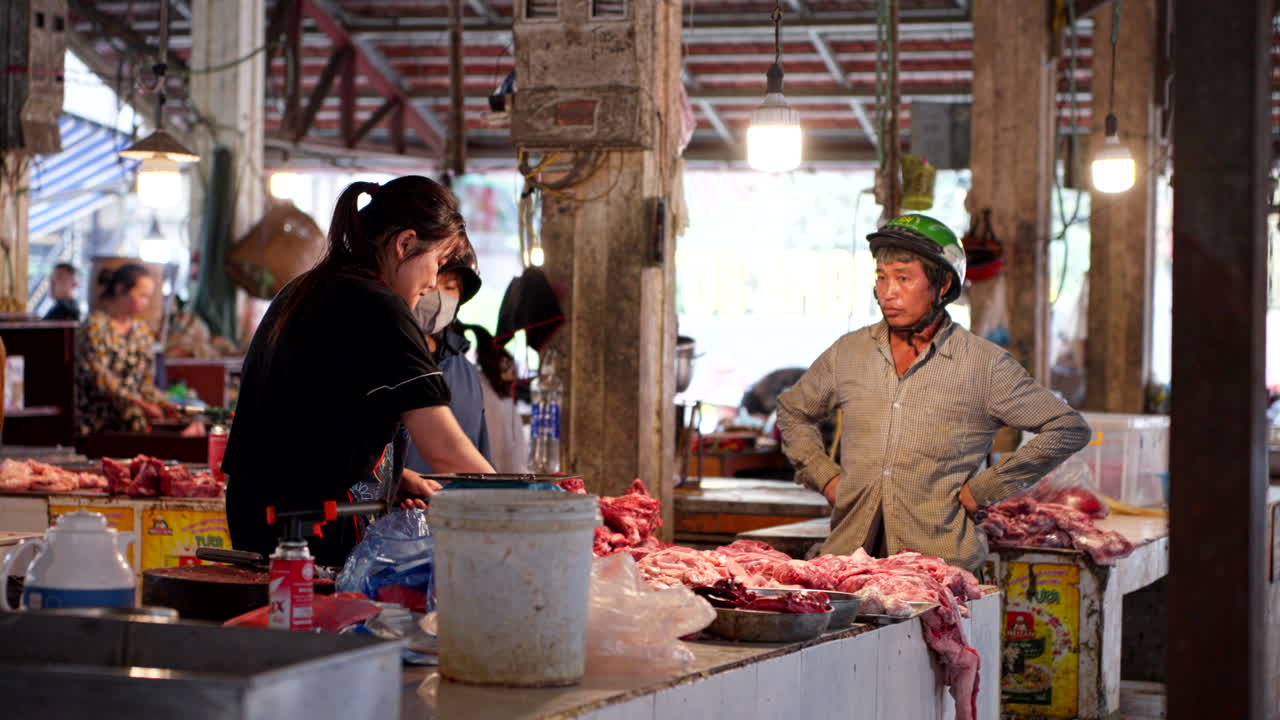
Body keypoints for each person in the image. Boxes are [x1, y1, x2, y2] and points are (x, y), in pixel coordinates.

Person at [776, 214, 1091, 572]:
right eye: (882, 277)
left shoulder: (983, 365)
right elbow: (793, 409)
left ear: (941, 287)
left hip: (940, 570)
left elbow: (1066, 428)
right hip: (850, 565)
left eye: (904, 278)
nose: (888, 291)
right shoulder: (849, 353)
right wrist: (824, 475)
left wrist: (985, 489)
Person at [222, 176, 496, 566]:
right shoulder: (379, 306)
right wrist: (523, 505)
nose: (433, 282)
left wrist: (394, 477)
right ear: (404, 244)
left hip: (257, 512)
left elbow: (309, 417)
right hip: (311, 528)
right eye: (436, 262)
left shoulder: (304, 290)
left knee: (278, 620)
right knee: (320, 623)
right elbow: (446, 452)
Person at [404, 250, 492, 474]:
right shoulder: (386, 356)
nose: (439, 297)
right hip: (391, 506)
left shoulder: (466, 370)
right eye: (432, 285)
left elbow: (480, 450)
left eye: (450, 288)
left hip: (457, 506)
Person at [75, 264, 177, 436]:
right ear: (120, 289)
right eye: (141, 295)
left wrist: (165, 405)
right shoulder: (94, 327)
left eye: (148, 297)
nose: (145, 303)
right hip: (97, 423)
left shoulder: (142, 331)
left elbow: (146, 383)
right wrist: (141, 405)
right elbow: (101, 380)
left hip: (135, 422)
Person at [464, 323, 529, 474]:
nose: (514, 377)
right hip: (498, 475)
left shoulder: (481, 386)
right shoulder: (486, 390)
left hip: (490, 474)